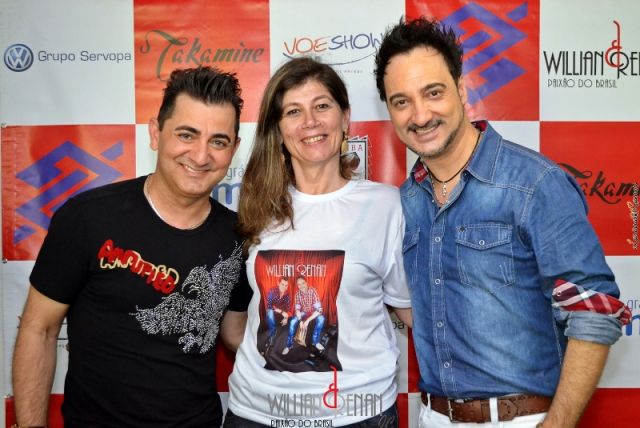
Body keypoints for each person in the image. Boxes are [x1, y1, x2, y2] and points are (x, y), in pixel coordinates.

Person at [374, 17, 631, 428]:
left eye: (433, 93)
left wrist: (558, 424)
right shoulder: (405, 201)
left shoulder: (534, 184)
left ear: (461, 90)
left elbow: (594, 310)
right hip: (432, 416)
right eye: (401, 101)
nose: (420, 115)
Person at [11, 66, 252, 427]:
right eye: (187, 135)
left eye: (218, 141)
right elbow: (39, 329)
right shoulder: (87, 217)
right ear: (155, 133)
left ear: (234, 148)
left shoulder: (238, 237)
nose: (201, 156)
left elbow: (235, 333)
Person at [225, 57, 412, 427]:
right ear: (278, 130)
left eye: (322, 106)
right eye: (293, 111)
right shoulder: (255, 208)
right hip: (256, 415)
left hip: (359, 415)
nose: (310, 121)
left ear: (345, 118)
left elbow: (411, 312)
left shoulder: (387, 206)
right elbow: (236, 327)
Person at [282, 276, 325, 355]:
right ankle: (289, 345)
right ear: (297, 286)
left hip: (314, 312)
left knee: (321, 319)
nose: (301, 286)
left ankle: (315, 342)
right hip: (304, 312)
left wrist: (307, 321)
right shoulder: (297, 295)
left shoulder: (313, 291)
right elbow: (297, 310)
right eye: (299, 284)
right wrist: (300, 321)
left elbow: (319, 310)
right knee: (292, 322)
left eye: (303, 283)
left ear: (306, 283)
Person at [265, 277, 291, 346]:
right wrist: (281, 311)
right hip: (272, 315)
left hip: (280, 316)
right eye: (282, 284)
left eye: (286, 285)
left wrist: (286, 318)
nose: (284, 287)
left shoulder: (287, 295)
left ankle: (274, 334)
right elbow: (269, 306)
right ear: (278, 283)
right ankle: (273, 335)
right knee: (270, 312)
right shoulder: (272, 291)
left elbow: (287, 309)